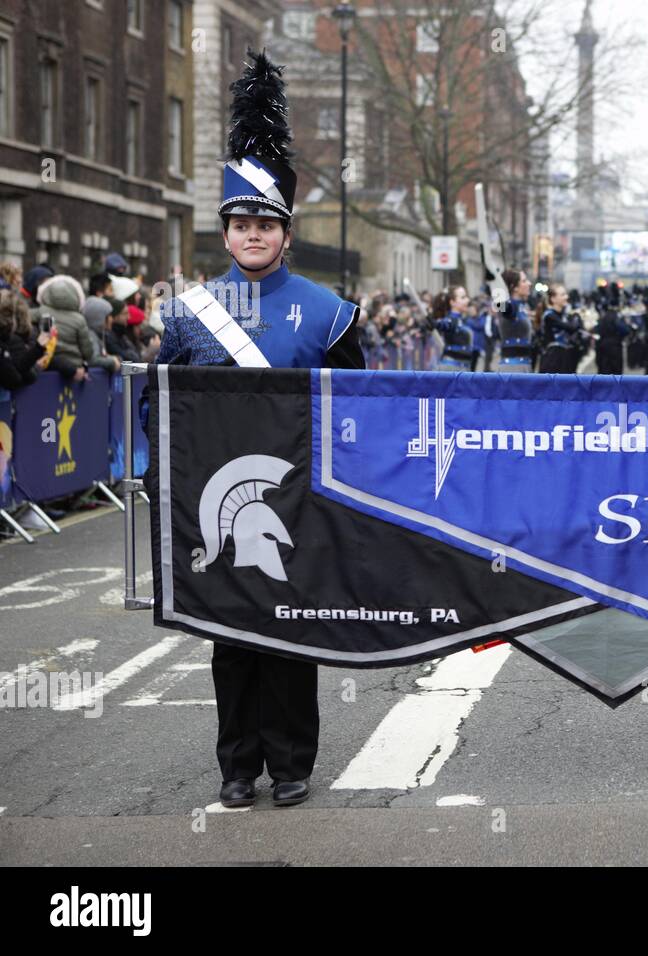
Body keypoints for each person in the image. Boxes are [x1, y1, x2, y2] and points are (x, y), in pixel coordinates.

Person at [154, 50, 363, 810]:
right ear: (226, 231)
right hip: (211, 498)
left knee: (290, 632)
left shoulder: (327, 310)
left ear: (284, 232)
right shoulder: (189, 310)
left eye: (263, 223)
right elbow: (162, 404)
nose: (250, 234)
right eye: (240, 222)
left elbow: (359, 404)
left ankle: (292, 761)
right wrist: (158, 478)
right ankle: (237, 765)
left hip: (298, 497)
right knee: (230, 639)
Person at [37, 274, 121, 382]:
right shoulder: (79, 320)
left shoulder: (41, 313)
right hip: (75, 368)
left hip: (48, 366)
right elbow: (89, 354)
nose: (111, 320)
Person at [0, 288, 51, 389]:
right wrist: (37, 363)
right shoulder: (12, 340)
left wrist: (38, 348)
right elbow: (15, 379)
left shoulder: (11, 340)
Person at [536, 284, 582, 373]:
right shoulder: (549, 315)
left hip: (564, 359)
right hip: (552, 360)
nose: (566, 297)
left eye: (566, 294)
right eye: (563, 295)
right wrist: (576, 318)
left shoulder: (564, 315)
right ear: (553, 299)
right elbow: (571, 328)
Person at [430, 285, 477, 371]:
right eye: (463, 297)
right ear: (452, 302)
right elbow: (446, 324)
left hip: (463, 368)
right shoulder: (451, 320)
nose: (467, 300)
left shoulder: (464, 319)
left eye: (466, 297)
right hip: (451, 369)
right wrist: (436, 324)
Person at [496, 270, 534, 372]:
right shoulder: (510, 307)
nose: (529, 283)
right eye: (524, 281)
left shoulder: (523, 306)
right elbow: (503, 308)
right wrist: (496, 288)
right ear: (515, 287)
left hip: (525, 364)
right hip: (512, 368)